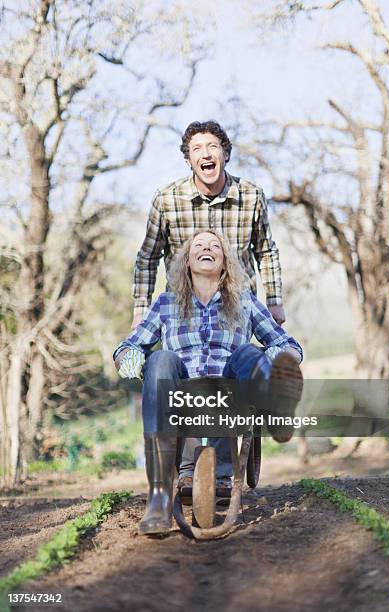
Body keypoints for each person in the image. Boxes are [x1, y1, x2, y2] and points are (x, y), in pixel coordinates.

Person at [131, 120, 287, 497]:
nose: (206, 153)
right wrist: (140, 310)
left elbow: (266, 250)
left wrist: (274, 301)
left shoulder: (250, 196)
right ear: (188, 159)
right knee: (182, 374)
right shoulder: (167, 200)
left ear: (225, 153)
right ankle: (182, 470)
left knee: (234, 365)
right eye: (197, 148)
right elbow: (147, 257)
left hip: (234, 306)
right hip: (183, 307)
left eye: (213, 146)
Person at [114, 230, 303, 536]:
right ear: (186, 262)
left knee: (248, 352)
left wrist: (281, 361)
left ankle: (275, 403)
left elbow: (287, 344)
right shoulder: (166, 303)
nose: (207, 248)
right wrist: (132, 362)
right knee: (160, 359)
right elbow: (128, 347)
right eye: (199, 246)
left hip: (231, 393)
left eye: (215, 246)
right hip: (181, 396)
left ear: (225, 262)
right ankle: (159, 498)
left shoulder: (245, 301)